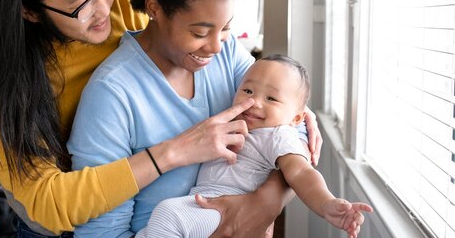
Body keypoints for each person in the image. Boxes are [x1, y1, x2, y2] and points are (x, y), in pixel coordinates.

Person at [0, 0, 321, 238]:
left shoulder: (127, 5)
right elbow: (47, 201)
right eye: (82, 4)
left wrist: (270, 191)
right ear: (29, 11)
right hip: (57, 223)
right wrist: (174, 152)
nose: (105, 7)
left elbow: (272, 111)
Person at [67, 0, 325, 238]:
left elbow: (288, 125)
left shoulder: (227, 53)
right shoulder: (112, 94)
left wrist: (264, 203)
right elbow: (99, 234)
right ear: (155, 9)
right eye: (200, 32)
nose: (217, 46)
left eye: (227, 28)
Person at [136, 54, 373, 238]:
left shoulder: (278, 135)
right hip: (205, 206)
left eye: (271, 98)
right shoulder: (231, 123)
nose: (254, 102)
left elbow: (301, 172)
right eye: (247, 91)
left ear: (297, 119)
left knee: (168, 215)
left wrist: (327, 203)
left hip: (224, 210)